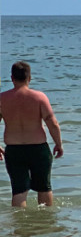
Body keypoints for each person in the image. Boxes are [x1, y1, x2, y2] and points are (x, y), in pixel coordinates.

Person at [0, 61, 64, 208]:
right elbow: (52, 123)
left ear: (12, 78)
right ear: (29, 78)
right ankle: (46, 223)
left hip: (14, 150)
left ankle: (20, 226)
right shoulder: (39, 97)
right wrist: (58, 144)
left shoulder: (2, 99)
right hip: (38, 149)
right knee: (44, 187)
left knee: (19, 191)